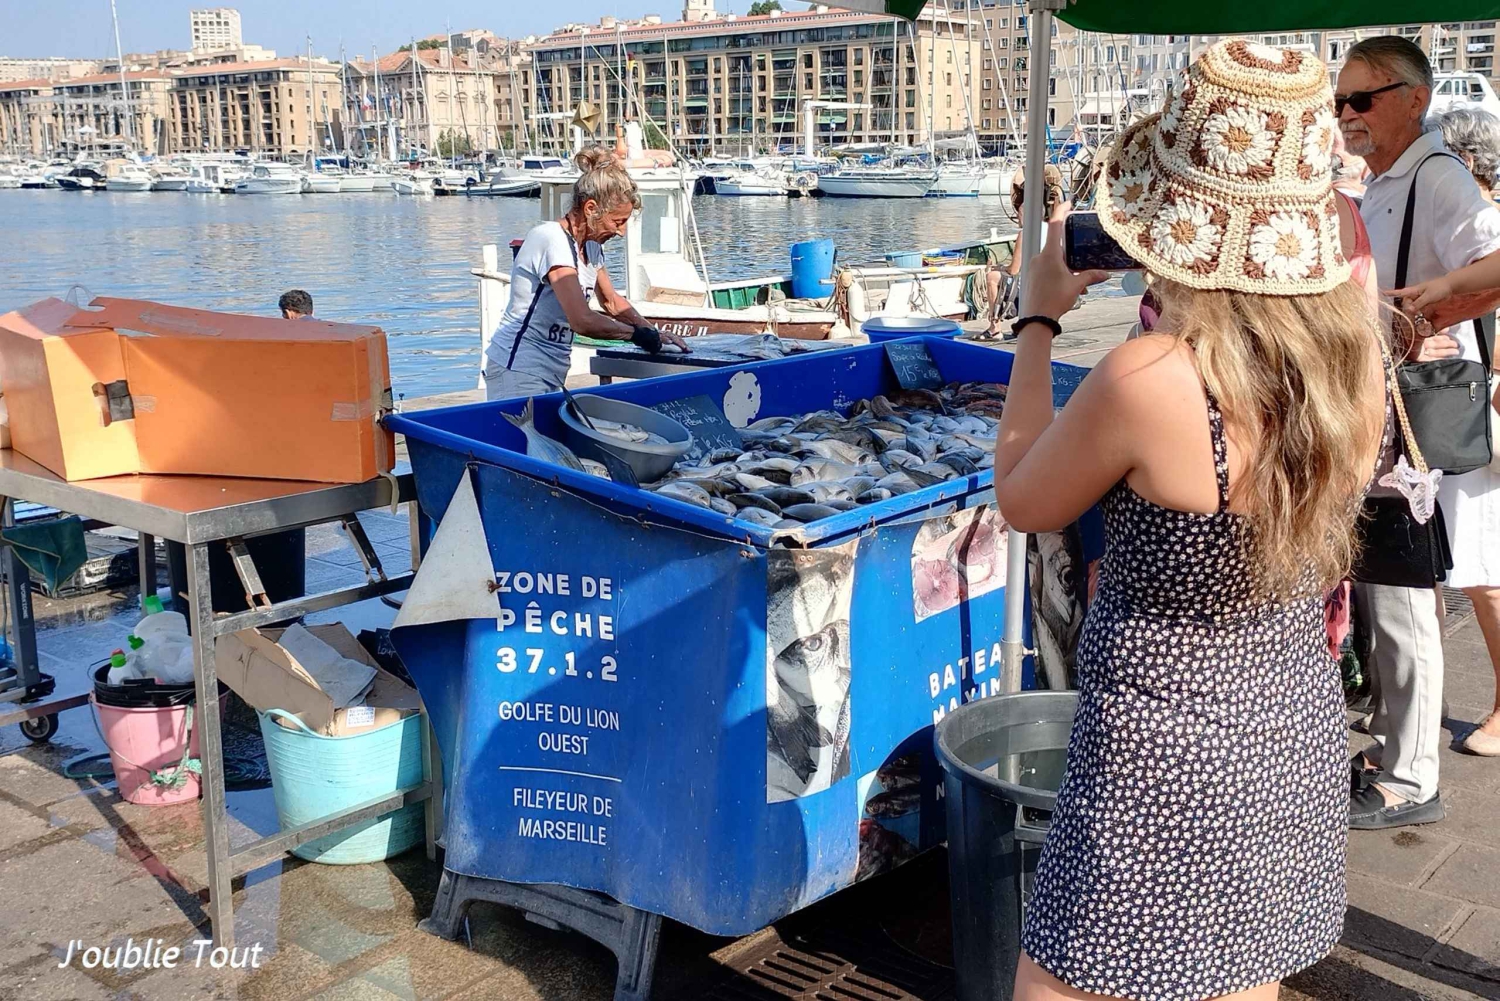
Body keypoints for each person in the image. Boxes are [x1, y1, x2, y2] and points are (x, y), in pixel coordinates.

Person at [995, 41, 1386, 1001]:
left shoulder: (1152, 378)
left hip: (1157, 770)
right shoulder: (1353, 370)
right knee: (1236, 980)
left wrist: (1037, 320)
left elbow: (1022, 495)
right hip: (1290, 743)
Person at [1338, 36, 1500, 825]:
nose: (1345, 116)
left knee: (1405, 587)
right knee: (1392, 587)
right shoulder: (1383, 183)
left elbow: (1496, 260)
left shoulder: (1436, 179)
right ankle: (1400, 743)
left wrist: (1439, 303)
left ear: (1412, 98)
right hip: (1388, 416)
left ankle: (1411, 775)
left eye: (1360, 100)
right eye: (1339, 102)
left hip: (1417, 421)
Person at [1381, 107, 1500, 758]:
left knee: (1482, 572)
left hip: (1475, 414)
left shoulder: (1476, 224)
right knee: (1461, 567)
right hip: (1461, 411)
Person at [483, 146, 688, 399]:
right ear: (591, 208)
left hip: (552, 369)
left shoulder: (592, 247)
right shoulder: (551, 239)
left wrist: (653, 333)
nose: (621, 232)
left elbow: (612, 302)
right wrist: (637, 336)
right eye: (618, 221)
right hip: (518, 367)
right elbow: (581, 320)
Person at [983, 163, 1064, 337]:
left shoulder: (1026, 234)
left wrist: (997, 268)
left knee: (992, 277)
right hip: (1052, 283)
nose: (1018, 217)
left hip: (1031, 286)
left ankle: (994, 327)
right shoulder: (1053, 231)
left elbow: (1014, 270)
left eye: (1020, 213)